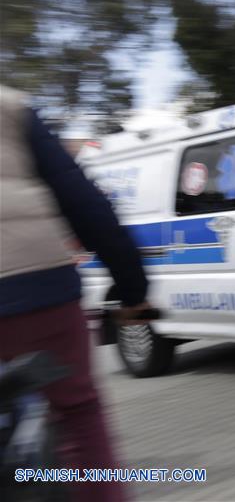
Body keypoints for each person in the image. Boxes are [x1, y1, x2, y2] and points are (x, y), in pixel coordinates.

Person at [0, 85, 155, 502]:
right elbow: (83, 202)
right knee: (78, 414)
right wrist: (132, 288)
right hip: (38, 288)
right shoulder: (12, 108)